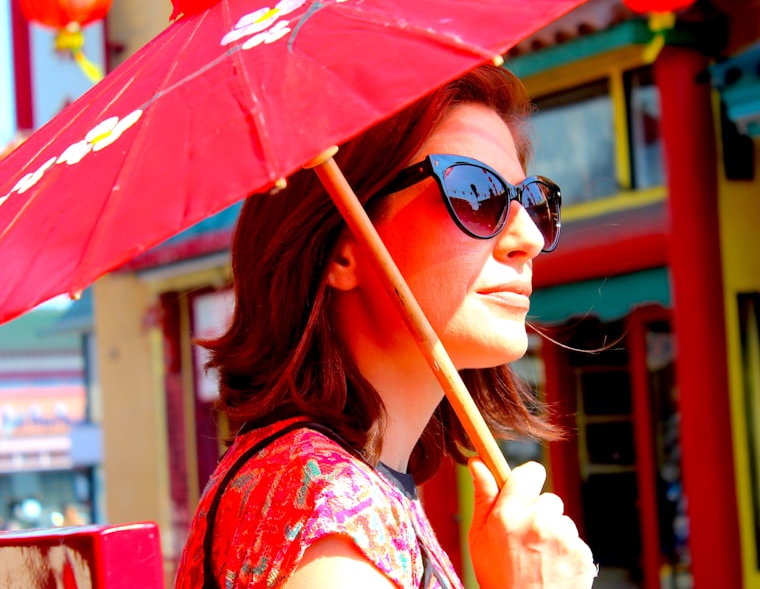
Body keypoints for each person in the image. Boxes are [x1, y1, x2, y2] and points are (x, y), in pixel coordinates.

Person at [174, 64, 597, 588]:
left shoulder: (349, 487)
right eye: (474, 193)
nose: (527, 236)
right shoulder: (320, 505)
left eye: (532, 202)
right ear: (342, 249)